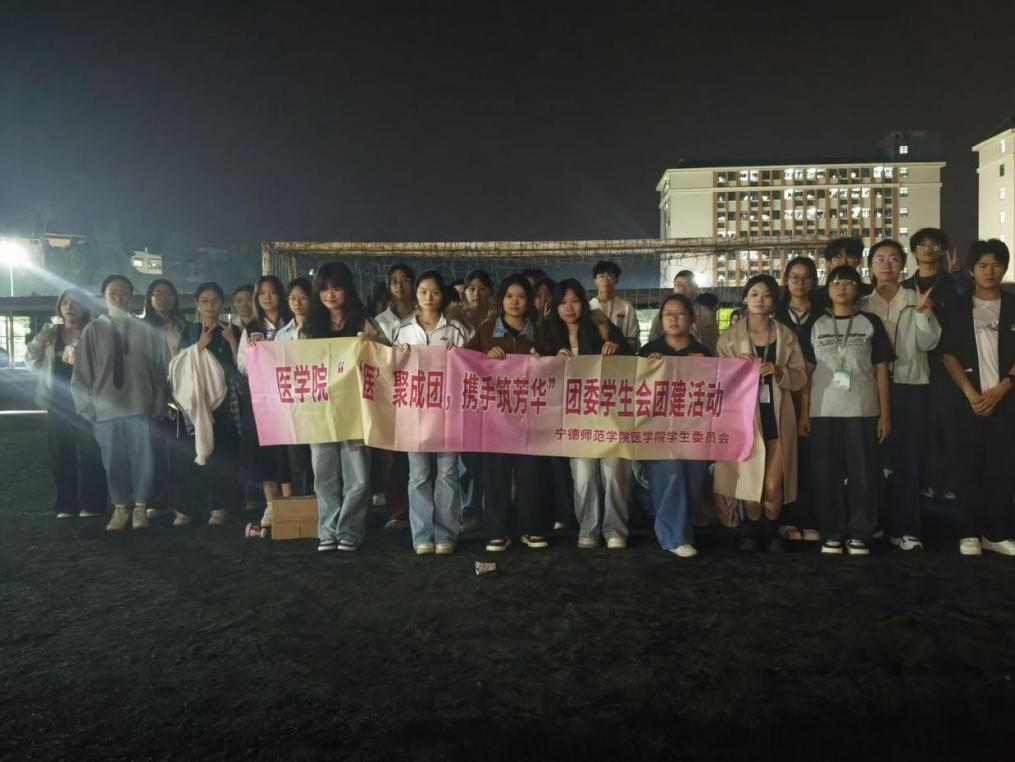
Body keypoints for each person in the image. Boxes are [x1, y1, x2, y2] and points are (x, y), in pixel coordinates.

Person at [801, 266, 893, 556]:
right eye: (836, 282)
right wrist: (804, 413)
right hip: (823, 410)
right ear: (828, 288)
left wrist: (885, 414)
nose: (842, 287)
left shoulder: (869, 322)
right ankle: (831, 533)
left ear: (857, 288)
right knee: (826, 474)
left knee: (863, 474)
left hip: (862, 410)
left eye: (849, 282)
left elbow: (881, 371)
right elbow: (806, 372)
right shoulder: (815, 324)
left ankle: (859, 534)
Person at [715, 275, 807, 553]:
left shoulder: (786, 336)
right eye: (754, 293)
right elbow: (717, 381)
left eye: (766, 295)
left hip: (777, 415)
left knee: (772, 485)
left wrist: (779, 371)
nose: (760, 299)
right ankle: (753, 530)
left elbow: (800, 376)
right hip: (744, 419)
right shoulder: (729, 339)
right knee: (750, 482)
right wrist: (735, 368)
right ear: (745, 298)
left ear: (774, 302)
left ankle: (771, 529)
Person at [859, 240, 940, 551]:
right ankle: (876, 523)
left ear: (903, 265)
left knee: (908, 459)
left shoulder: (914, 299)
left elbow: (929, 343)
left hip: (910, 385)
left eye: (893, 259)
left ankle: (906, 528)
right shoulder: (862, 305)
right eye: (880, 259)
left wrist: (922, 314)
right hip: (871, 387)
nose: (887, 265)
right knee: (873, 460)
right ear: (870, 267)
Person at [300, 262, 387, 552]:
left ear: (347, 289)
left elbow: (386, 355)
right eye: (324, 289)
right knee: (323, 475)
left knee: (358, 476)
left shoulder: (363, 322)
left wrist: (376, 345)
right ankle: (327, 531)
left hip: (355, 411)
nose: (330, 294)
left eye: (336, 288)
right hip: (320, 412)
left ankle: (350, 530)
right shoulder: (308, 327)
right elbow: (293, 360)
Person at [71, 274, 166, 531]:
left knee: (144, 460)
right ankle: (120, 507)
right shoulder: (93, 330)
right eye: (112, 293)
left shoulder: (145, 330)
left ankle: (140, 507)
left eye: (123, 293)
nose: (118, 298)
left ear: (132, 296)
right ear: (104, 297)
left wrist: (158, 403)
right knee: (112, 461)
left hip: (140, 404)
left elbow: (158, 370)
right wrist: (86, 407)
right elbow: (82, 373)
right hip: (105, 408)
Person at [543, 278, 632, 549]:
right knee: (583, 476)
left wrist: (616, 349)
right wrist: (552, 361)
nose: (568, 307)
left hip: (610, 415)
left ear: (583, 302)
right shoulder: (549, 333)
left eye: (574, 301)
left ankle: (615, 529)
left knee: (614, 472)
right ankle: (588, 529)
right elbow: (537, 372)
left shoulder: (601, 326)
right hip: (574, 418)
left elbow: (631, 359)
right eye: (562, 302)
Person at [940, 240, 1015, 556]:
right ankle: (968, 533)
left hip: (1006, 400)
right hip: (967, 401)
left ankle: (996, 534)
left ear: (1004, 268)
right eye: (983, 265)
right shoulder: (957, 307)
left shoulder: (1012, 304)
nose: (990, 271)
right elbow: (948, 354)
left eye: (996, 264)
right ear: (971, 270)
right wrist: (971, 394)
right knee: (966, 467)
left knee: (1002, 468)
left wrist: (1001, 389)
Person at [466, 274, 549, 551]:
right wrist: (484, 357)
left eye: (522, 296)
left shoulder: (540, 331)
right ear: (501, 300)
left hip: (530, 417)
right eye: (509, 296)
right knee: (496, 474)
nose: (515, 302)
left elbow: (557, 365)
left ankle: (531, 528)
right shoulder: (487, 330)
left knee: (530, 473)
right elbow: (465, 361)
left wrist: (544, 359)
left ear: (530, 301)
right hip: (495, 418)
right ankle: (497, 530)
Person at [392, 271, 468, 554]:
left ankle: (446, 534)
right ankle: (422, 536)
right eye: (423, 291)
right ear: (416, 294)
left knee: (447, 472)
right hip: (414, 413)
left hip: (449, 411)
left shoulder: (456, 329)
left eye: (435, 292)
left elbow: (470, 367)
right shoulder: (402, 329)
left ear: (442, 295)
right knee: (419, 474)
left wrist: (458, 354)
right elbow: (392, 367)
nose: (429, 297)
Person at [637, 294, 712, 558]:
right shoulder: (649, 351)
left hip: (693, 429)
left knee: (694, 480)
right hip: (658, 430)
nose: (674, 318)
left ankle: (668, 520)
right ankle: (674, 537)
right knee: (672, 474)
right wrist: (648, 369)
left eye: (680, 313)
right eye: (668, 313)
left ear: (690, 319)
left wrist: (705, 368)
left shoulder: (702, 353)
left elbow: (714, 391)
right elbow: (636, 392)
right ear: (661, 319)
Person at [26, 288, 108, 519]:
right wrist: (39, 342)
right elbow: (31, 362)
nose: (69, 307)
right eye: (65, 303)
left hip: (89, 402)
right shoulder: (50, 333)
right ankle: (66, 504)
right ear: (59, 308)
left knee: (92, 452)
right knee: (61, 454)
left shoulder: (94, 331)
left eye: (75, 302)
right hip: (57, 402)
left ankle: (93, 503)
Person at [901, 227, 967, 504]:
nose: (928, 248)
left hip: (947, 363)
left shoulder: (954, 283)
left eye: (934, 244)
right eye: (922, 244)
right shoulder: (906, 286)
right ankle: (925, 481)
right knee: (921, 425)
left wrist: (957, 275)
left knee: (948, 425)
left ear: (942, 250)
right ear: (914, 251)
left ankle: (950, 483)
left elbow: (964, 314)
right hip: (915, 363)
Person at [172, 282, 243, 526]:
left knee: (224, 454)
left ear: (222, 304)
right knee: (192, 454)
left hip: (226, 400)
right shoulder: (190, 331)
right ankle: (189, 508)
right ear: (197, 304)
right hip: (197, 400)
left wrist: (232, 341)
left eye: (215, 301)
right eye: (205, 301)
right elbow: (180, 364)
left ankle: (220, 507)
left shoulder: (232, 330)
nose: (210, 306)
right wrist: (198, 346)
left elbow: (242, 364)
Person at [237, 275, 294, 526]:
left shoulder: (292, 324)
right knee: (263, 452)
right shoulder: (251, 328)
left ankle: (291, 505)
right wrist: (254, 351)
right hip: (262, 400)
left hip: (288, 397)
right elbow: (241, 365)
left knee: (287, 452)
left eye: (272, 292)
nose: (267, 297)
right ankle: (271, 506)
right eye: (262, 293)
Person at [773, 256, 822, 542]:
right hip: (782, 392)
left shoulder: (824, 315)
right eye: (794, 277)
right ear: (786, 281)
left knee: (812, 458)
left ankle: (809, 518)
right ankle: (786, 519)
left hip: (819, 392)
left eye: (806, 278)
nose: (800, 283)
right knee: (784, 457)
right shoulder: (775, 315)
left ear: (814, 281)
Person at [141, 279, 187, 520]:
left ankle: (180, 500)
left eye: (169, 293)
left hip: (181, 390)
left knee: (180, 449)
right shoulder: (140, 326)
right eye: (157, 293)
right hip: (153, 391)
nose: (163, 298)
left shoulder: (183, 325)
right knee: (155, 449)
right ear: (149, 299)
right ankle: (157, 500)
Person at [276, 277, 315, 496]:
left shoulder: (321, 328)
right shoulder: (283, 334)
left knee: (320, 458)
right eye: (292, 298)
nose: (297, 303)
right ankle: (303, 503)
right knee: (297, 458)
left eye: (303, 297)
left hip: (318, 401)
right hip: (293, 404)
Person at [648, 270, 719, 352]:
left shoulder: (706, 314)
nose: (682, 289)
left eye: (688, 285)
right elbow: (653, 339)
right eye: (678, 285)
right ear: (674, 289)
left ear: (696, 288)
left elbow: (714, 343)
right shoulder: (664, 313)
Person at [588, 260, 640, 353]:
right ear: (595, 281)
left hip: (621, 357)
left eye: (610, 276)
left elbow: (633, 341)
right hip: (594, 357)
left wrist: (619, 347)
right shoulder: (588, 307)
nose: (605, 280)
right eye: (601, 277)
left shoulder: (627, 307)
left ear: (616, 280)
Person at [375, 264, 416, 342]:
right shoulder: (380, 321)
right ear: (389, 288)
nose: (399, 285)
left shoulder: (421, 318)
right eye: (394, 281)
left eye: (404, 280)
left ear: (412, 285)